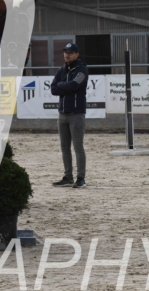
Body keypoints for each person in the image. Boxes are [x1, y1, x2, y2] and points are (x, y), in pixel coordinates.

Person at [50, 42, 89, 189]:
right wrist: (65, 87)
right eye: (65, 52)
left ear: (76, 54)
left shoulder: (82, 69)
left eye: (70, 52)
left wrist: (61, 85)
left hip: (76, 114)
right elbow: (53, 89)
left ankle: (81, 178)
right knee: (64, 147)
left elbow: (74, 85)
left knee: (78, 147)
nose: (67, 55)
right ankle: (68, 177)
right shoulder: (61, 70)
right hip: (62, 113)